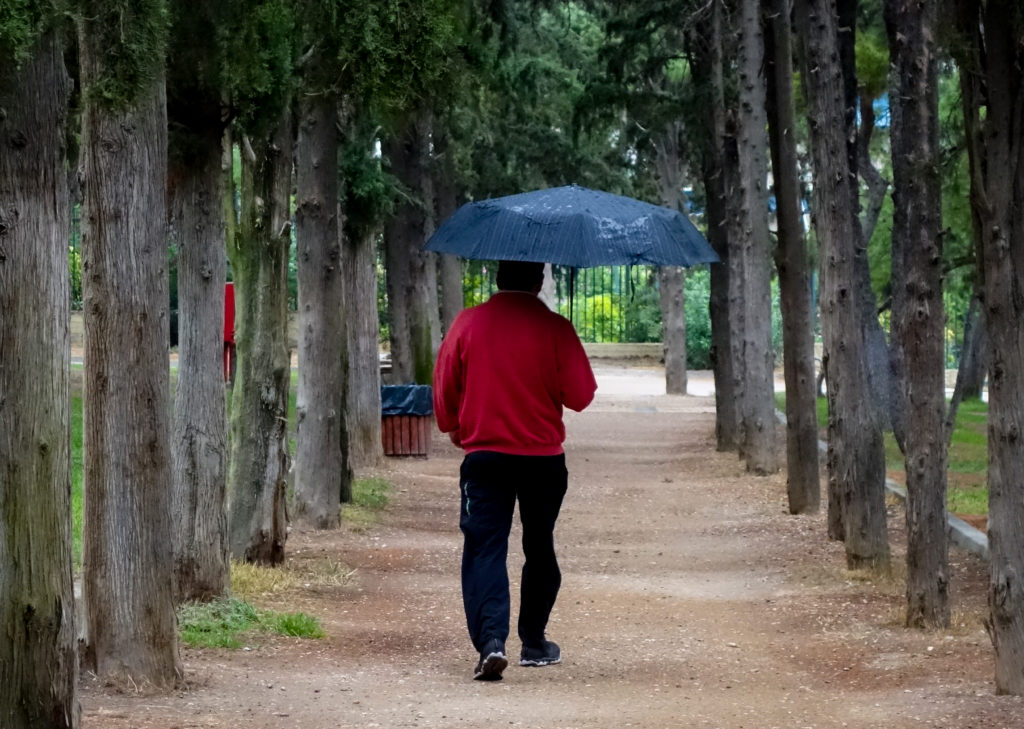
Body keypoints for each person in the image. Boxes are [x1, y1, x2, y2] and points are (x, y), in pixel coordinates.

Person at [433, 260, 597, 681]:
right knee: (539, 546)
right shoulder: (556, 328)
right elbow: (580, 396)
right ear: (537, 281)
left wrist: (454, 426)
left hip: (485, 459)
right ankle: (536, 642)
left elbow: (445, 387)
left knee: (485, 548)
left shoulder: (468, 324)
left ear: (497, 276)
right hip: (543, 460)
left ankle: (491, 643)